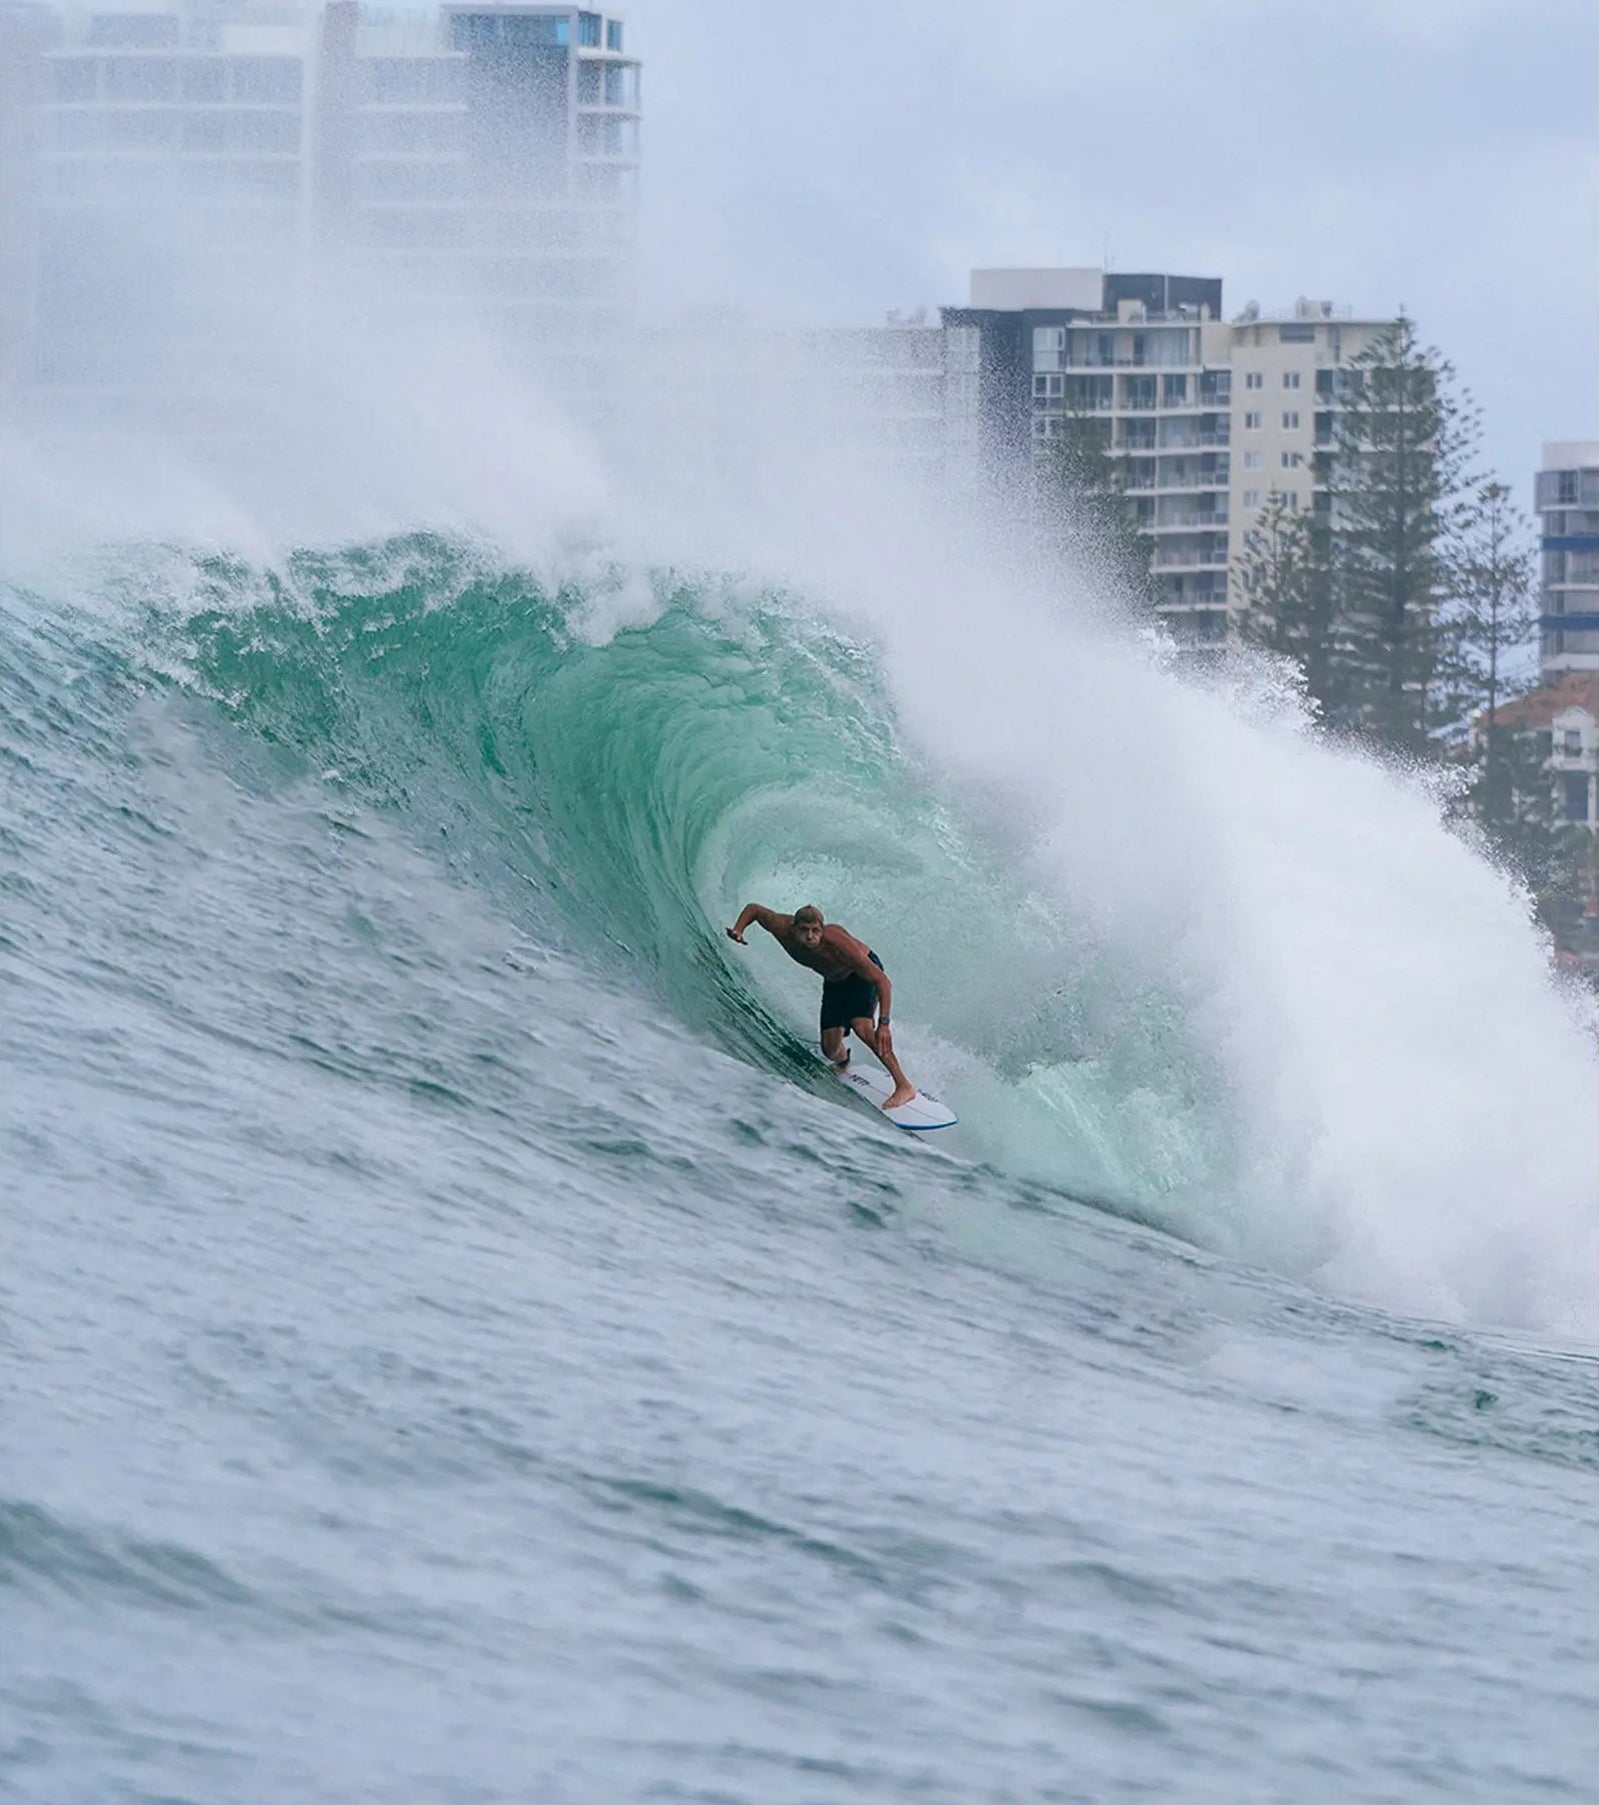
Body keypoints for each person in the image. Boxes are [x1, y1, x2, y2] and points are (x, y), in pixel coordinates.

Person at [725, 902, 917, 1110]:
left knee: (862, 1027)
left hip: (861, 975)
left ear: (822, 930)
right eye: (804, 930)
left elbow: (882, 981)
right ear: (793, 927)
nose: (810, 936)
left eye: (815, 931)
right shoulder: (781, 926)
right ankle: (844, 1062)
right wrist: (738, 929)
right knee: (830, 1050)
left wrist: (884, 1024)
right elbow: (755, 910)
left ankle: (903, 1086)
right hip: (835, 981)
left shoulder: (837, 943)